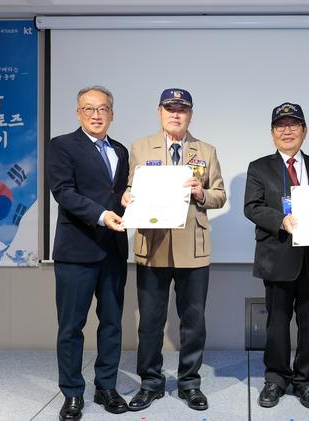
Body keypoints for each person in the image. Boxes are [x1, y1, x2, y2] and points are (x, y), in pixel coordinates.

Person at [122, 88, 226, 412]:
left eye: (182, 109)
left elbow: (220, 194)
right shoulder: (140, 147)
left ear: (190, 114)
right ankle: (150, 383)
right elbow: (130, 187)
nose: (175, 114)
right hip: (152, 246)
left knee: (193, 321)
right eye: (170, 109)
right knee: (150, 322)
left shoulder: (206, 151)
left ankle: (189, 383)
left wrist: (201, 193)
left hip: (192, 248)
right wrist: (127, 196)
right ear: (160, 112)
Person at [46, 86, 130, 420]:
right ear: (78, 113)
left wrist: (130, 199)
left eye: (103, 109)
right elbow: (63, 192)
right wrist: (101, 214)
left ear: (112, 113)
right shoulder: (62, 145)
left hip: (113, 251)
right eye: (89, 109)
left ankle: (106, 387)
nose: (96, 115)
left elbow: (118, 194)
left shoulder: (121, 150)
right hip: (76, 251)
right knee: (71, 327)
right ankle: (72, 393)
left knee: (111, 323)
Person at [244, 102, 309, 409]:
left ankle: (306, 381)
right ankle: (276, 379)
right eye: (280, 125)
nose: (287, 130)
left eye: (294, 124)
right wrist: (281, 220)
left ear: (304, 131)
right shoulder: (259, 167)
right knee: (277, 324)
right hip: (277, 256)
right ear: (272, 133)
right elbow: (252, 207)